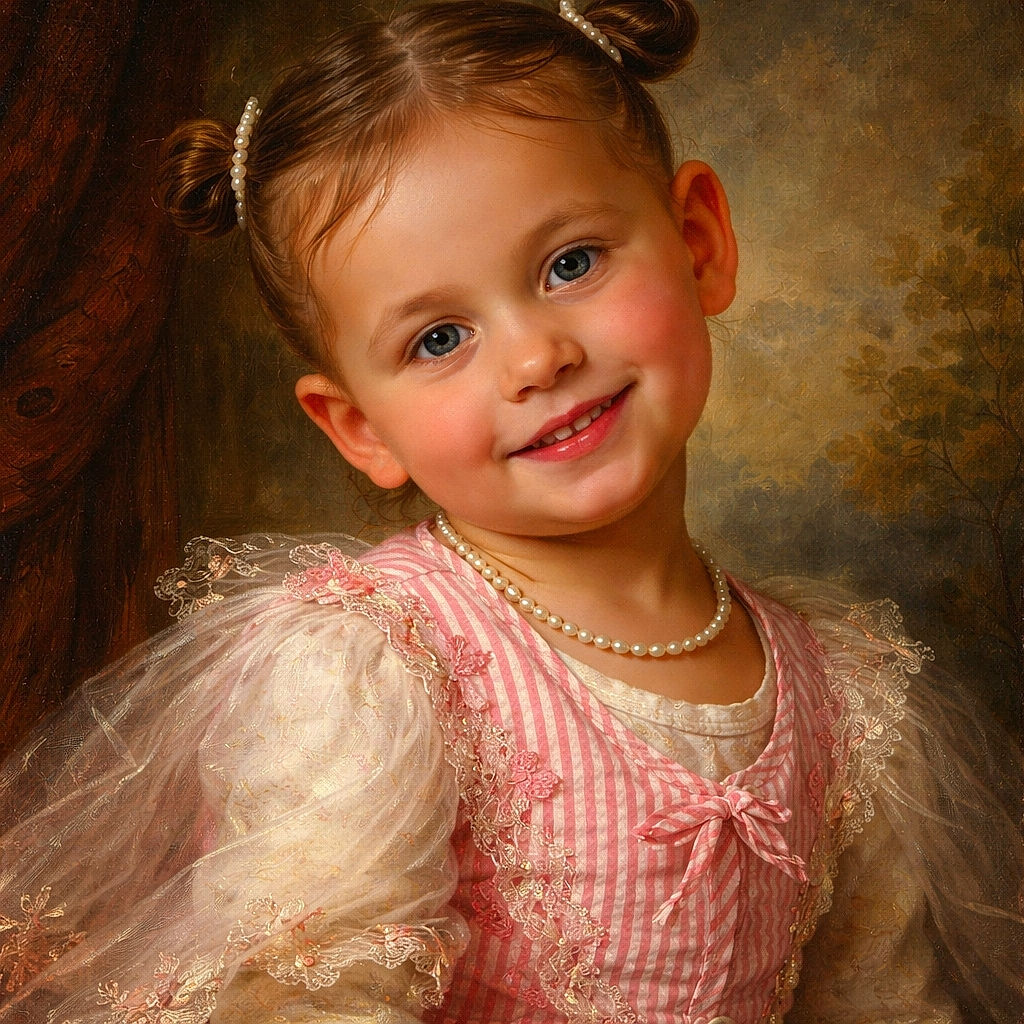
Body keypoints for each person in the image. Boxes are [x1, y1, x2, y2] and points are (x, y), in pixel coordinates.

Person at [1, 1, 1021, 1021]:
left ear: (698, 239)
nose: (538, 359)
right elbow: (312, 1002)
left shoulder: (842, 693)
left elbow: (880, 1002)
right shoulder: (376, 671)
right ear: (362, 428)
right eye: (439, 338)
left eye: (570, 264)